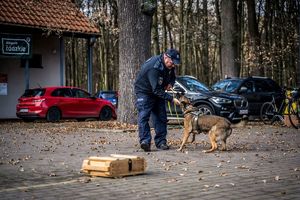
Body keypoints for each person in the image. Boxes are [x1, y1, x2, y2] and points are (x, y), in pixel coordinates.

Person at [134, 49, 181, 152]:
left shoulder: (170, 65)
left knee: (161, 117)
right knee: (144, 116)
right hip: (144, 91)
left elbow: (172, 77)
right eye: (172, 62)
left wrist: (170, 84)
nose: (173, 66)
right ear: (166, 57)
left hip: (158, 90)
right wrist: (171, 99)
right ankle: (145, 141)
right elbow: (156, 90)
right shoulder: (154, 67)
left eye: (174, 64)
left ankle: (161, 142)